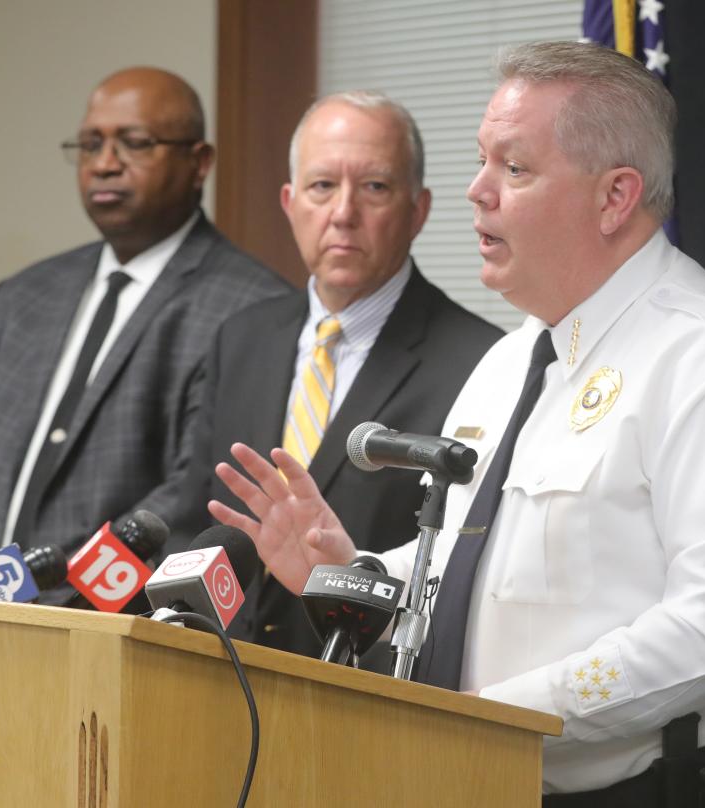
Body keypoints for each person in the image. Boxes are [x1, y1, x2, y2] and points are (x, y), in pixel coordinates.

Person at [207, 42, 705, 805]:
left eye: (514, 168)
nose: (476, 191)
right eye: (480, 162)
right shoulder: (509, 363)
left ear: (615, 197)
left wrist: (500, 720)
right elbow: (480, 576)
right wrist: (354, 574)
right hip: (489, 780)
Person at [0, 67, 290, 596]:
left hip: (99, 641)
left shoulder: (253, 309)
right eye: (90, 144)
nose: (105, 164)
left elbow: (188, 500)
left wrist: (52, 615)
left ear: (199, 163)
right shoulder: (19, 298)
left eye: (134, 143)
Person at [174, 91, 501, 660]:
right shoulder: (241, 338)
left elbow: (459, 579)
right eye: (322, 186)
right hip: (222, 686)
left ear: (418, 209)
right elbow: (192, 514)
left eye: (374, 187)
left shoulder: (481, 361)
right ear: (289, 201)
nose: (343, 213)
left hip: (364, 696)